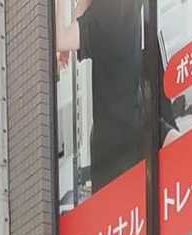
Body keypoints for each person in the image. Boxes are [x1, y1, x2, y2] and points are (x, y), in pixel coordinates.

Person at [55, 0, 144, 199]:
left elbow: (59, 39)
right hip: (133, 117)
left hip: (111, 141)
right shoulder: (127, 6)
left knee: (111, 207)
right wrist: (69, 43)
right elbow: (85, 3)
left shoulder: (102, 20)